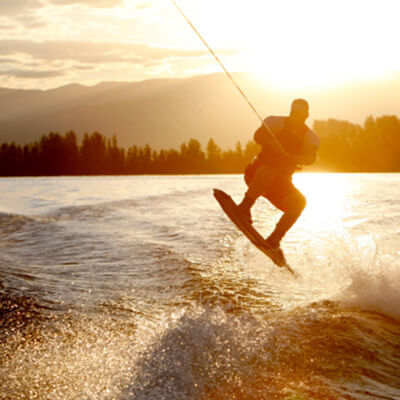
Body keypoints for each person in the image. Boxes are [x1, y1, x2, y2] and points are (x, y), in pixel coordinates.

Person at [237, 98, 320, 256]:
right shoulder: (275, 123)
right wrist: (271, 143)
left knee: (299, 202)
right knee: (269, 170)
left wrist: (295, 156)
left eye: (301, 114)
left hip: (279, 185)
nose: (297, 116)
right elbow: (258, 136)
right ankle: (245, 207)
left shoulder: (310, 137)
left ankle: (274, 240)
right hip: (255, 174)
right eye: (294, 113)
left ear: (306, 115)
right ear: (290, 112)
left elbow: (310, 158)